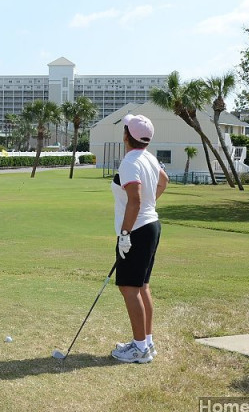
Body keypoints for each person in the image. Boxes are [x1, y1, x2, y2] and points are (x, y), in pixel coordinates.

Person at [110, 114, 169, 363]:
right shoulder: (149, 158)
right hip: (150, 225)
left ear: (127, 135)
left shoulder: (130, 161)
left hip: (137, 230)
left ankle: (139, 349)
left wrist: (125, 234)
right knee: (142, 286)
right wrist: (150, 204)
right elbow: (163, 181)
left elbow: (134, 200)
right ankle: (146, 342)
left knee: (129, 288)